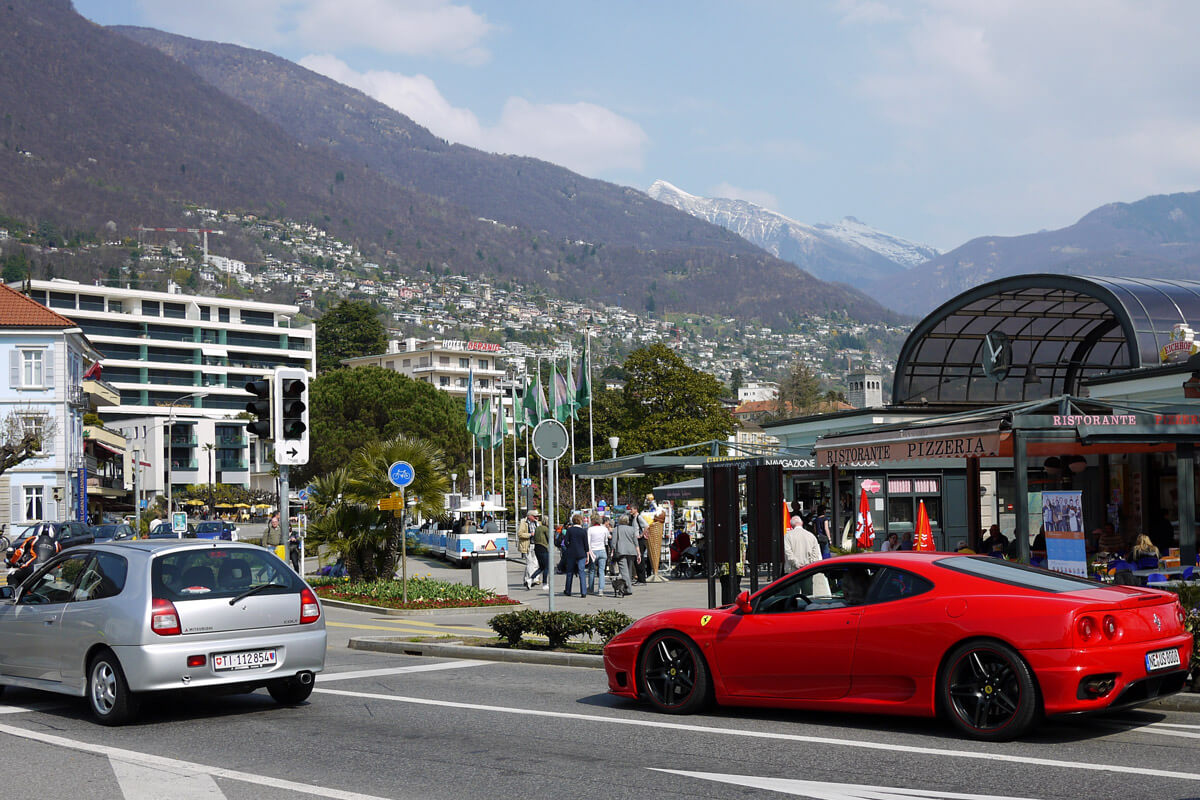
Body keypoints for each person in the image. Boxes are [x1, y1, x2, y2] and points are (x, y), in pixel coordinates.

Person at [562, 513, 591, 598]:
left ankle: (568, 590)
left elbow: (566, 541)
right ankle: (583, 592)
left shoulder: (570, 530)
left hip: (571, 553)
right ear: (580, 521)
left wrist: (569, 547)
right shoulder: (583, 531)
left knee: (570, 572)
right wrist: (587, 555)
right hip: (581, 553)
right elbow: (586, 544)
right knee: (581, 572)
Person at [611, 513, 640, 596]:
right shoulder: (632, 529)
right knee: (629, 570)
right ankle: (628, 586)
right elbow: (635, 541)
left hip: (621, 551)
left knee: (624, 571)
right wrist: (638, 553)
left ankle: (628, 589)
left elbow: (613, 542)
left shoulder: (617, 529)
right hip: (631, 551)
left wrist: (613, 550)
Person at [586, 514, 610, 595]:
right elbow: (606, 541)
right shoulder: (604, 529)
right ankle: (601, 590)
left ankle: (591, 589)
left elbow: (588, 542)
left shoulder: (590, 529)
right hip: (602, 550)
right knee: (601, 571)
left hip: (593, 551)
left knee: (592, 570)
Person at [527, 512, 549, 589]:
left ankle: (530, 578)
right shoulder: (546, 529)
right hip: (543, 548)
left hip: (536, 548)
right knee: (546, 567)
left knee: (541, 567)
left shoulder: (537, 528)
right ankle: (545, 583)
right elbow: (550, 538)